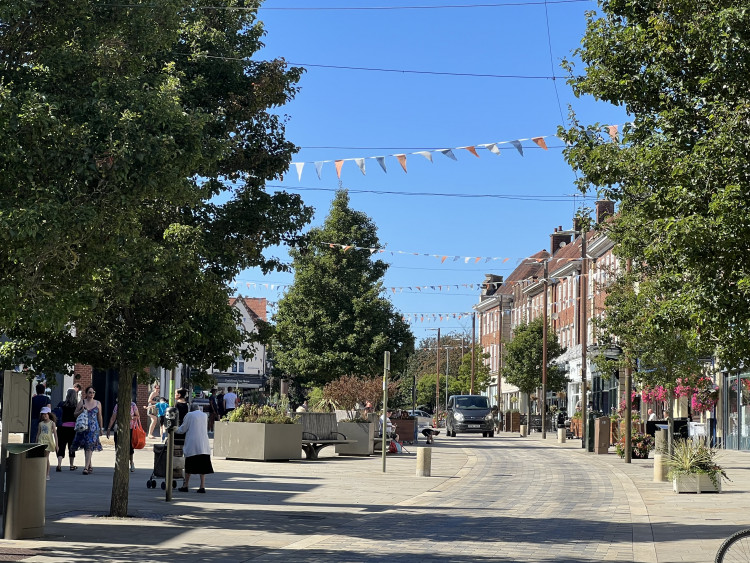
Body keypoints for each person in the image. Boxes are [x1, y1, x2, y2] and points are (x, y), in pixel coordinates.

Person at [176, 403, 214, 493]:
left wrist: (174, 428)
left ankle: (186, 485)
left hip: (193, 444)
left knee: (189, 466)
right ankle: (202, 486)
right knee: (203, 467)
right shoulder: (204, 415)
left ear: (191, 409)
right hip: (203, 445)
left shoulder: (189, 415)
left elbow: (183, 429)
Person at [72, 386, 103, 475]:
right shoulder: (82, 402)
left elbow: (100, 416)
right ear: (86, 393)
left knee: (89, 446)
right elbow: (75, 414)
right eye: (90, 392)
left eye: (93, 392)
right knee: (86, 446)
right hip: (83, 427)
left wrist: (101, 428)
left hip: (94, 428)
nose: (92, 394)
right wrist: (82, 410)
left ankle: (86, 468)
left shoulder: (98, 403)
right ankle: (89, 464)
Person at [106, 399, 139, 472]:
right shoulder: (118, 405)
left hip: (130, 428)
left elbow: (137, 416)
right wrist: (108, 428)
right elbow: (113, 417)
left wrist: (132, 417)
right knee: (118, 445)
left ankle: (131, 462)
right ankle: (118, 462)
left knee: (130, 446)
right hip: (119, 427)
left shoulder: (133, 405)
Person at [56, 388, 79, 472]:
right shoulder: (76, 406)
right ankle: (71, 465)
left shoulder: (61, 404)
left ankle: (59, 464)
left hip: (62, 427)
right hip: (72, 428)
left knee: (61, 445)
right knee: (71, 447)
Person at [36, 407, 58, 480]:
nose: (44, 416)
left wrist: (56, 445)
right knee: (41, 457)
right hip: (41, 440)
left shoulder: (52, 423)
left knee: (46, 457)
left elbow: (55, 434)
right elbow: (38, 433)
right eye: (43, 414)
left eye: (45, 414)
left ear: (49, 414)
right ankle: (41, 473)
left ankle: (47, 474)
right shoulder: (40, 424)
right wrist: (36, 442)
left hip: (48, 441)